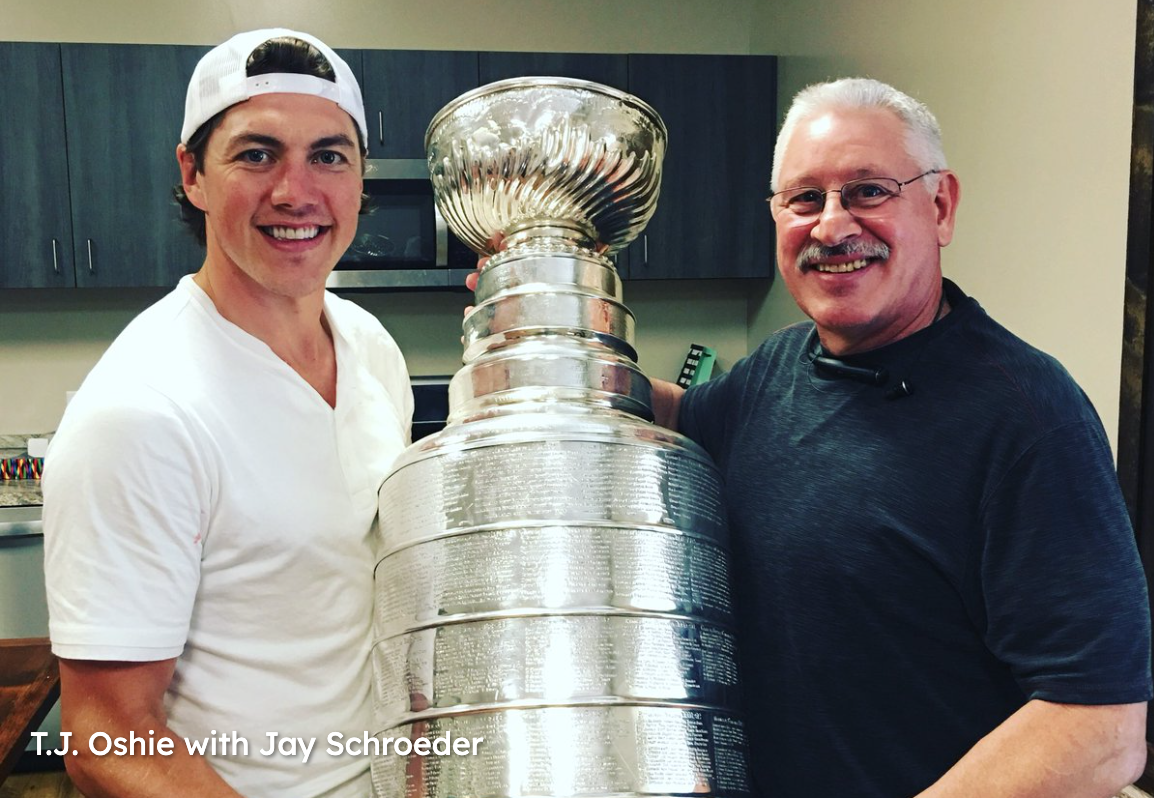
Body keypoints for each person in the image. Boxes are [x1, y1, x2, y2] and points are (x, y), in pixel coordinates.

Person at [647, 78, 1153, 796]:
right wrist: (549, 318)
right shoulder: (778, 370)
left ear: (940, 206)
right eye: (804, 199)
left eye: (867, 191)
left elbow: (1099, 725)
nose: (831, 226)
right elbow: (676, 416)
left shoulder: (1031, 419)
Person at [42, 29, 412, 797]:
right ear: (193, 175)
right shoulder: (142, 410)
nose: (296, 191)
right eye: (256, 154)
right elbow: (106, 738)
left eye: (329, 155)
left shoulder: (371, 349)